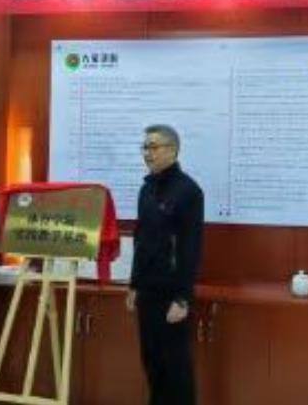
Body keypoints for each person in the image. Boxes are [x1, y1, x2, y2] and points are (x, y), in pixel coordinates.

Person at [126, 124, 205, 405]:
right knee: (152, 362)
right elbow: (141, 239)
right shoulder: (146, 189)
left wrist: (183, 298)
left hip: (171, 294)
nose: (147, 153)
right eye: (145, 147)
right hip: (147, 292)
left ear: (173, 150)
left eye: (154, 147)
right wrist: (134, 284)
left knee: (175, 368)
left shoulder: (188, 191)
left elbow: (191, 248)